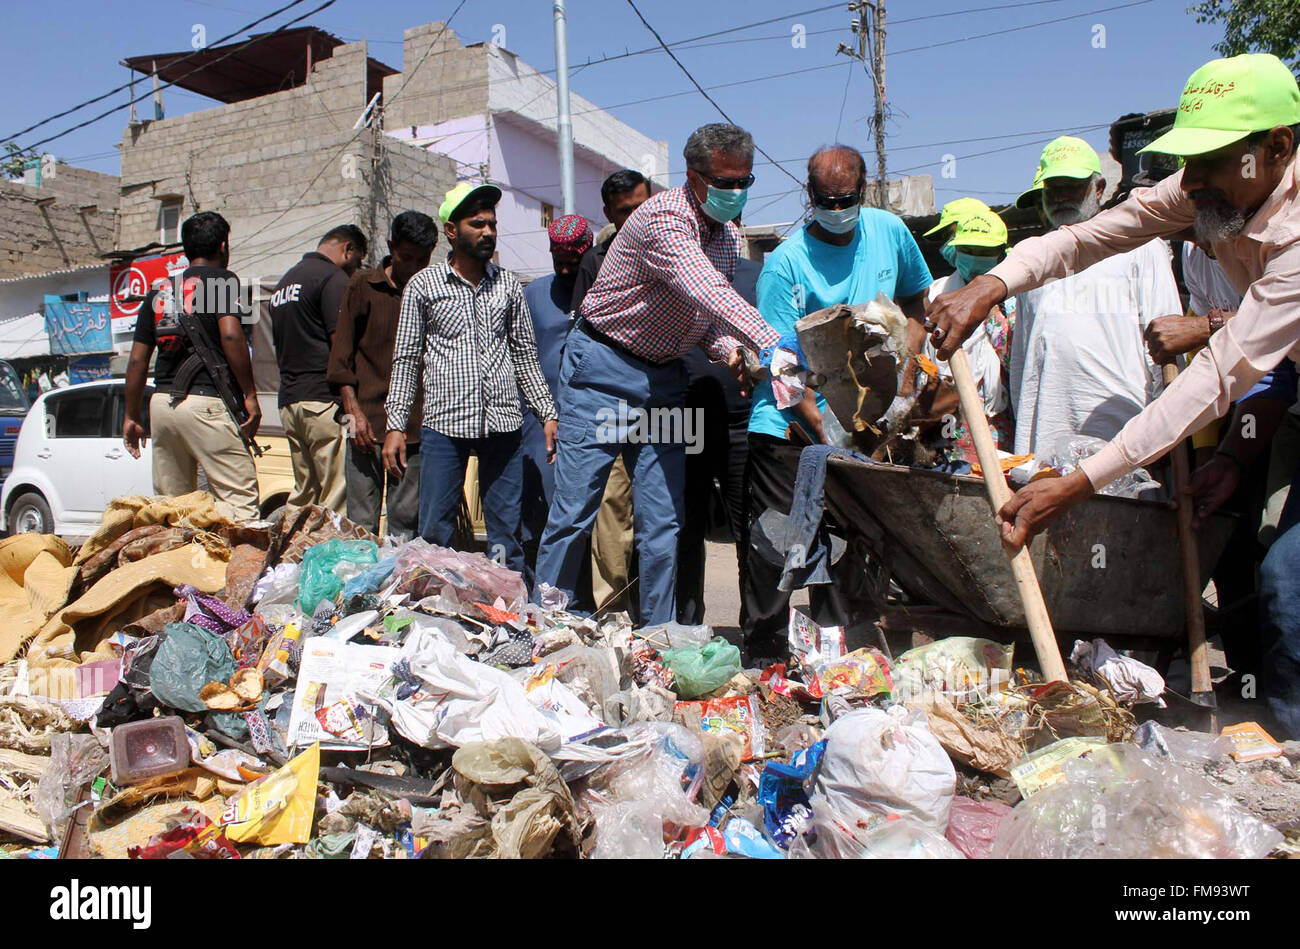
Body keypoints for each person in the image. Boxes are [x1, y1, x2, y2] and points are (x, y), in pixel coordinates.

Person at [927, 53, 1300, 736]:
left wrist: (1077, 483)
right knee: (1280, 586)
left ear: (1276, 148)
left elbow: (1220, 374)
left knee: (1288, 586)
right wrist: (992, 284)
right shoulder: (1210, 191)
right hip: (1289, 391)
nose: (1191, 182)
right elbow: (1085, 239)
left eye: (1209, 161)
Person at [535, 123, 782, 626]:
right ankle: (550, 624)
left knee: (663, 520)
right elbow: (706, 287)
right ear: (693, 176)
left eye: (744, 182)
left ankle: (658, 632)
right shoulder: (662, 219)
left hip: (665, 385)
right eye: (725, 182)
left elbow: (703, 322)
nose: (735, 193)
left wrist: (734, 349)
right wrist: (776, 345)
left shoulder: (728, 237)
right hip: (604, 374)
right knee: (576, 511)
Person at [742, 143, 933, 662]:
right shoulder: (785, 265)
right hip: (786, 419)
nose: (837, 209)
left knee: (848, 542)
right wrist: (820, 425)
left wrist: (908, 373)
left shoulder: (888, 232)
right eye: (826, 201)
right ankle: (764, 659)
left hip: (862, 420)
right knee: (777, 542)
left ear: (863, 190)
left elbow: (917, 300)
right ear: (810, 196)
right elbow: (779, 357)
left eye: (845, 199)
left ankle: (841, 660)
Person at [383, 183, 556, 575]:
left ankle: (504, 615)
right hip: (445, 426)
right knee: (435, 531)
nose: (489, 232)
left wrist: (547, 412)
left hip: (503, 427)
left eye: (492, 224)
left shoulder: (508, 285)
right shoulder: (424, 287)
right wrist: (395, 425)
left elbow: (525, 356)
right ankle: (431, 612)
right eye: (477, 224)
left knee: (505, 535)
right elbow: (407, 360)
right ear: (451, 230)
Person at [1004, 137, 1181, 460]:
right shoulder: (1031, 259)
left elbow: (1167, 342)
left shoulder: (1140, 246)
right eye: (1052, 189)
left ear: (1098, 189)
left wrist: (1164, 436)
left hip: (1121, 432)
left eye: (1071, 187)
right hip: (1046, 433)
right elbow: (1021, 359)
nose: (1060, 197)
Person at [122, 211, 260, 521]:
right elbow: (231, 335)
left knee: (171, 510)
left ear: (185, 248)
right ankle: (242, 569)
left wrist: (131, 414)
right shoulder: (223, 281)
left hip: (162, 405)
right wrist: (250, 395)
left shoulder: (158, 290)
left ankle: (175, 567)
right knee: (239, 502)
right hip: (206, 404)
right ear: (223, 246)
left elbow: (137, 360)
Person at [571, 169, 653, 617]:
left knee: (662, 517)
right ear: (608, 214)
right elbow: (586, 340)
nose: (638, 216)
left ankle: (671, 614)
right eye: (626, 211)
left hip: (663, 403)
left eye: (643, 205)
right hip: (609, 407)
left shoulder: (676, 252)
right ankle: (614, 614)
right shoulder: (595, 263)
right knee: (611, 512)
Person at [327, 211, 438, 539]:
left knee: (406, 523)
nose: (415, 267)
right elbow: (340, 360)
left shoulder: (431, 291)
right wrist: (353, 413)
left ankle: (397, 588)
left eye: (423, 259)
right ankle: (361, 587)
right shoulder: (362, 285)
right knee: (361, 523)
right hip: (364, 422)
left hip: (415, 427)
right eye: (407, 258)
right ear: (391, 247)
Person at [676, 254, 760, 625]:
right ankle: (686, 625)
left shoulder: (755, 276)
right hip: (684, 420)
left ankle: (757, 631)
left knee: (749, 530)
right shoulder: (678, 272)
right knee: (685, 528)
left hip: (742, 422)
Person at [270, 224, 368, 512]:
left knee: (304, 496)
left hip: (290, 404)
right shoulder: (332, 278)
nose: (355, 270)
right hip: (323, 402)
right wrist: (352, 401)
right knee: (336, 496)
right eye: (358, 261)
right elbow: (341, 345)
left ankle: (294, 554)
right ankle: (332, 557)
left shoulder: (286, 281)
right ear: (348, 250)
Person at [520, 213, 593, 576]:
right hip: (540, 421)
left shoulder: (604, 294)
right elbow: (522, 357)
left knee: (586, 513)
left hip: (595, 419)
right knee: (543, 509)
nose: (565, 270)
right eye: (558, 262)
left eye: (573, 263)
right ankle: (540, 591)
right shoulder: (534, 294)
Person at [921, 202, 1015, 467]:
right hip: (949, 417)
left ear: (1000, 253)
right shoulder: (937, 297)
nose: (975, 258)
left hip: (997, 418)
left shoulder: (1015, 302)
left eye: (984, 251)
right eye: (968, 250)